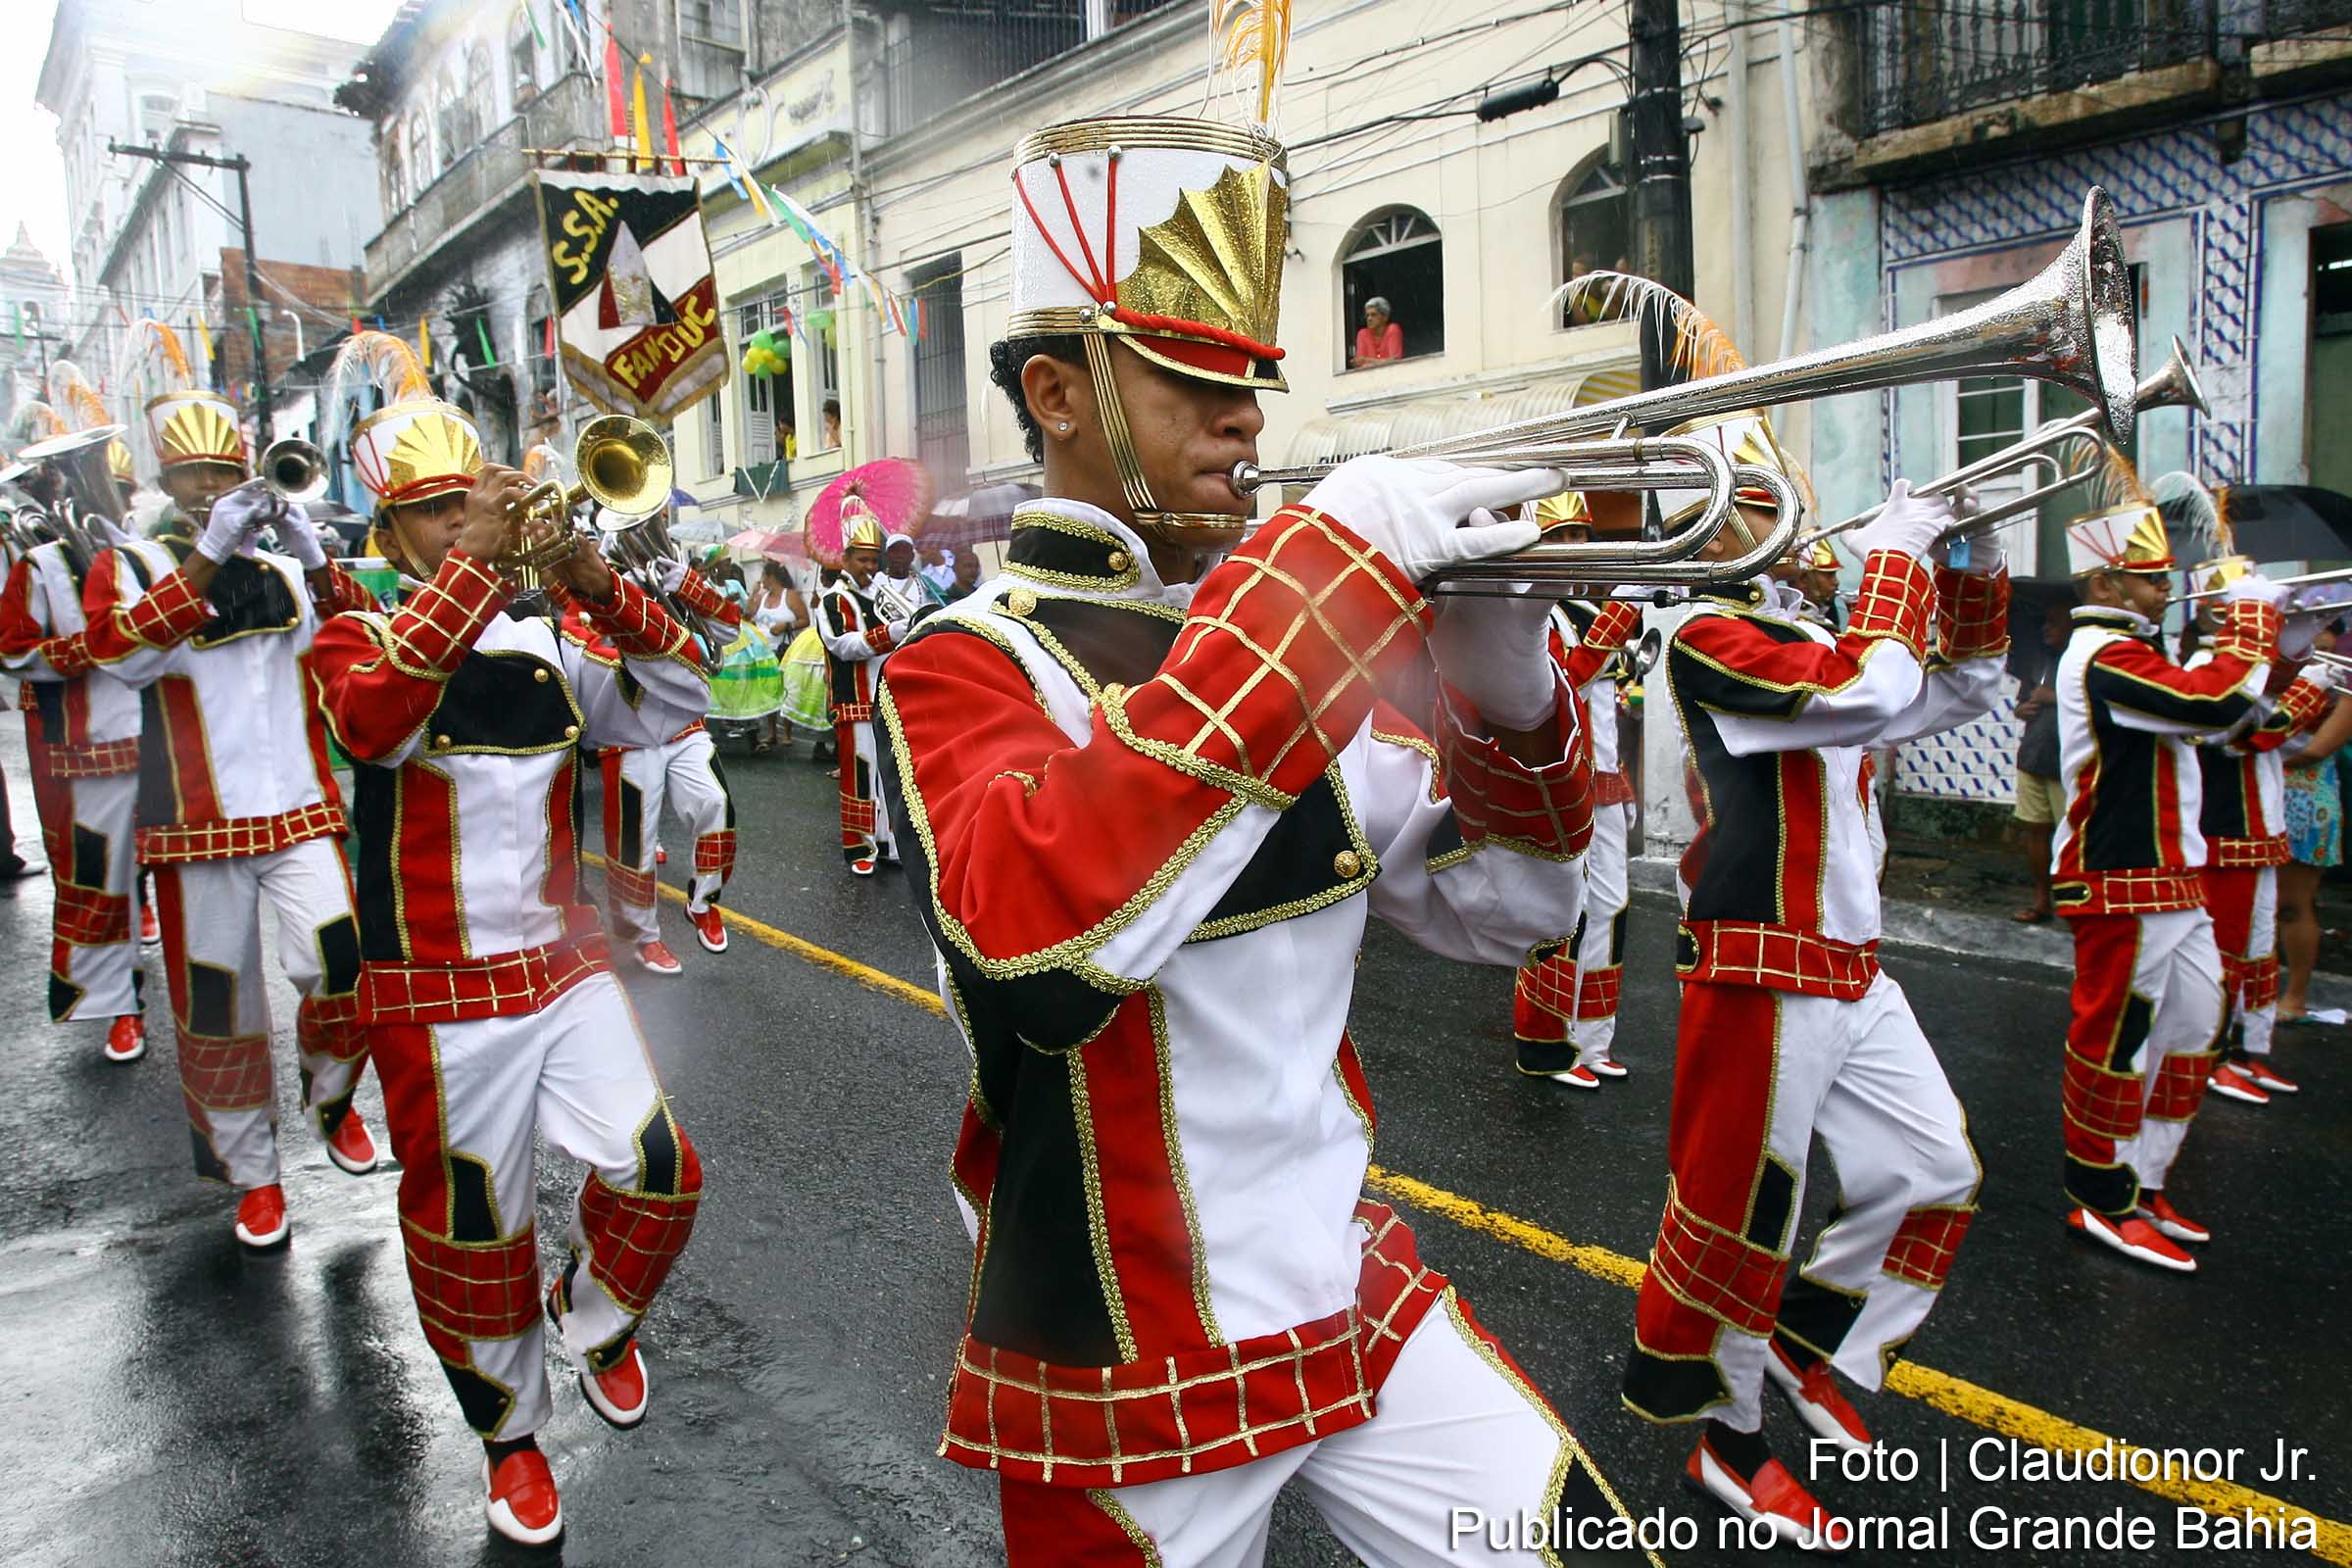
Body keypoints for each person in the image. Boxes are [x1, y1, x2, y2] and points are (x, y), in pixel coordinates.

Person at [886, 111, 1649, 1566]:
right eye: (1193, 381)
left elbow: (1517, 913)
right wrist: (1319, 579)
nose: (1246, 420)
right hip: (1121, 1349)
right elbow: (1035, 949)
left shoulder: (1284, 634)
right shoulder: (963, 658)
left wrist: (1511, 689)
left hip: (1342, 1287)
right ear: (1055, 392)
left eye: (1252, 385)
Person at [307, 333, 710, 1547]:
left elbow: (684, 690)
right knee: (470, 1228)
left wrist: (587, 568)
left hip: (557, 966)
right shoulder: (351, 640)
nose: (460, 521)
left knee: (664, 1171)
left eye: (466, 503)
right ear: (391, 537)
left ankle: (592, 1313)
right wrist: (478, 569)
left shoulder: (543, 649)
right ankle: (510, 1435)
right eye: (433, 512)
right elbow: (374, 728)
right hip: (434, 997)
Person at [1628, 407, 2007, 1547]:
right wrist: (1898, 553)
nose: (1795, 524)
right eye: (1764, 505)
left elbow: (1967, 691)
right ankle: (1729, 1443)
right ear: (1710, 530)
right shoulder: (1703, 628)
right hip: (1763, 975)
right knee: (1748, 1226)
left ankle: (1809, 1338)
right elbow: (1868, 694)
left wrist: (1976, 558)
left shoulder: (1825, 640)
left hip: (1853, 972)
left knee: (1936, 1170)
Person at [74, 320, 382, 1249]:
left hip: (298, 812)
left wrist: (316, 554)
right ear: (167, 485)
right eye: (195, 477)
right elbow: (115, 657)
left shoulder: (286, 568)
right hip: (196, 827)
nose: (215, 491)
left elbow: (362, 639)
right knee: (219, 1003)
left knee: (341, 965)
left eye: (225, 474)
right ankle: (254, 1174)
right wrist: (205, 554)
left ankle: (330, 1097)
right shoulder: (129, 565)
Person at [2051, 489, 2281, 1272]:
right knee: (2117, 1041)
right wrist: (2249, 625)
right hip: (2118, 874)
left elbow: (2239, 719)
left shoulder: (2137, 651)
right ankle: (2100, 1194)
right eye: (2149, 578)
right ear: (2106, 584)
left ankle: (2143, 1182)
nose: (2165, 587)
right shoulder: (2104, 655)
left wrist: (2266, 641)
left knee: (2190, 1033)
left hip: (2172, 875)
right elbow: (2214, 702)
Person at [0, 419, 149, 1063]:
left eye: (112, 488)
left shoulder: (151, 551)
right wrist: (86, 650)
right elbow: (12, 652)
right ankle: (119, 1007)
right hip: (91, 751)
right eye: (93, 485)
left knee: (198, 885)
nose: (102, 501)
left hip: (174, 741)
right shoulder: (38, 565)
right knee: (99, 883)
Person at [1512, 493, 1642, 1087]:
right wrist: (1617, 623)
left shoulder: (1587, 611)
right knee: (1561, 914)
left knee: (1611, 910)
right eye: (1559, 537)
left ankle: (1592, 1039)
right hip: (1557, 787)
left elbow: (1610, 708)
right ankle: (1545, 1043)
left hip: (1604, 784)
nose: (1572, 549)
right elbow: (1559, 685)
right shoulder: (1531, 609)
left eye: (1579, 537)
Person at [595, 525, 744, 969]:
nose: (645, 523)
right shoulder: (597, 584)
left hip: (684, 723)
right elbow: (587, 644)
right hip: (630, 728)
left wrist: (688, 587)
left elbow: (728, 630)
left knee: (714, 803)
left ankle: (702, 902)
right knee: (636, 837)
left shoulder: (671, 577)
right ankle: (642, 934)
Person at [817, 501, 904, 875]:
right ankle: (858, 846)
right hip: (855, 701)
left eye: (874, 560)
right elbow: (844, 644)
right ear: (846, 558)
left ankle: (887, 842)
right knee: (860, 773)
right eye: (863, 560)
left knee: (888, 774)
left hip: (885, 697)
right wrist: (890, 633)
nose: (870, 567)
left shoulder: (877, 593)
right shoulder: (834, 599)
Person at [2279, 611, 2352, 1023]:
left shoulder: (2343, 683)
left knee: (2294, 904)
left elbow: (2317, 750)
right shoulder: (2284, 673)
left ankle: (2296, 997)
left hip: (2308, 802)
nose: (2315, 643)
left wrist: (2252, 745)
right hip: (2267, 793)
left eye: (2323, 632)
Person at [2010, 599, 2072, 923]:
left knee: (2071, 837)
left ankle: (2074, 903)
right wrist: (2023, 709)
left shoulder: (2084, 660)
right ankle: (2041, 899)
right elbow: (2022, 702)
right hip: (2033, 755)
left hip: (2066, 763)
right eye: (2045, 623)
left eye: (2055, 623)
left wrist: (2056, 698)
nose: (2046, 629)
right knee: (2034, 830)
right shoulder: (2039, 663)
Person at [871, 529, 945, 622]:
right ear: (887, 555)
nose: (900, 555)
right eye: (895, 551)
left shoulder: (924, 582)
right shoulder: (877, 581)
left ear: (912, 556)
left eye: (905, 551)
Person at [1350, 295, 1403, 368]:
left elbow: (1395, 361)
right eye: (1367, 315)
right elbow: (1361, 366)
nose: (1369, 319)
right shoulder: (1363, 334)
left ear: (1385, 317)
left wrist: (1367, 360)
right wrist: (1382, 361)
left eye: (1373, 315)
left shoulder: (1393, 329)